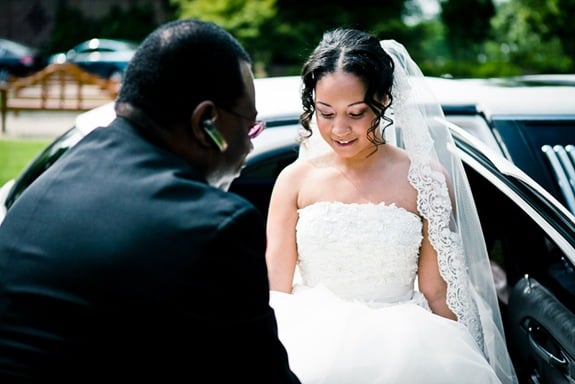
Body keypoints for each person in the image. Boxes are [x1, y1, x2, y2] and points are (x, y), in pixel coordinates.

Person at [0, 19, 300, 382]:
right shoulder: (213, 225)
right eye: (249, 127)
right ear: (207, 121)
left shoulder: (58, 174)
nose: (250, 146)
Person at [265, 28, 518, 383]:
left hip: (408, 344)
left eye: (355, 113)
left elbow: (438, 290)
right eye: (325, 113)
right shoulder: (294, 181)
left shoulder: (425, 179)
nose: (339, 129)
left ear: (383, 101)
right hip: (309, 339)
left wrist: (464, 354)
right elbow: (275, 288)